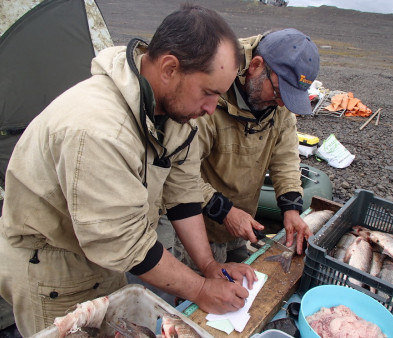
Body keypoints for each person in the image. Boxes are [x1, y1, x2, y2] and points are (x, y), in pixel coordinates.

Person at [0, 5, 257, 336]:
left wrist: (208, 268)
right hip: (53, 265)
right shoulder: (98, 129)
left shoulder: (175, 113)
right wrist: (199, 290)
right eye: (208, 93)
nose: (210, 110)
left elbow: (183, 193)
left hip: (106, 257)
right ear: (169, 68)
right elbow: (124, 241)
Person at [173, 28, 320, 268]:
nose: (283, 104)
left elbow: (285, 159)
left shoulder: (278, 106)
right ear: (256, 65)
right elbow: (178, 171)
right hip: (200, 224)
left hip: (244, 219)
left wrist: (291, 208)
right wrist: (224, 211)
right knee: (201, 288)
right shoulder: (209, 97)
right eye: (279, 93)